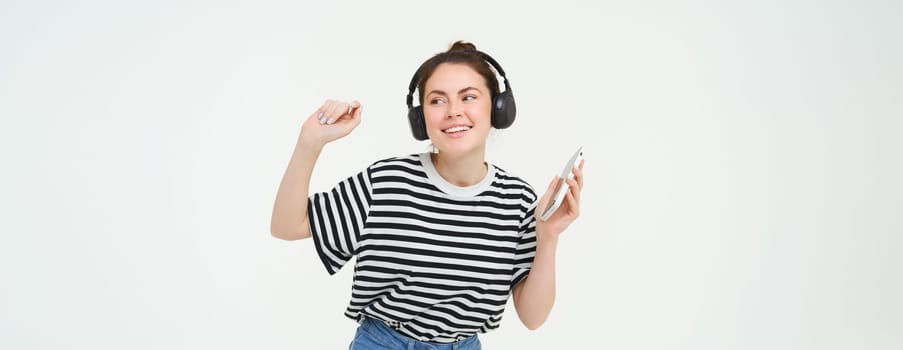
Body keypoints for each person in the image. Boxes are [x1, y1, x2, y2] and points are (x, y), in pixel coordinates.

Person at [270, 40, 585, 349]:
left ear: (499, 108)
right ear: (420, 119)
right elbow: (287, 226)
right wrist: (310, 142)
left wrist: (548, 237)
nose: (453, 111)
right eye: (437, 100)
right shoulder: (388, 182)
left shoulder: (516, 200)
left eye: (468, 97)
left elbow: (533, 317)